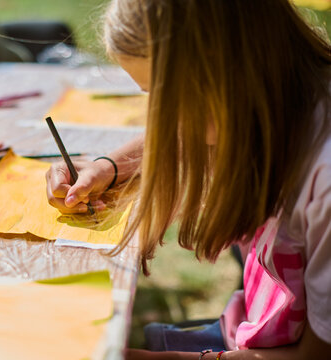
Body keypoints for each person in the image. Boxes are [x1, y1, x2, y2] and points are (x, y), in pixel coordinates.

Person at [46, 0, 331, 359]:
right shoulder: (280, 99)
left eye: (168, 98)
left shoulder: (324, 179)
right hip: (248, 330)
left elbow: (317, 354)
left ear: (227, 69)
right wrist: (109, 167)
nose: (163, 120)